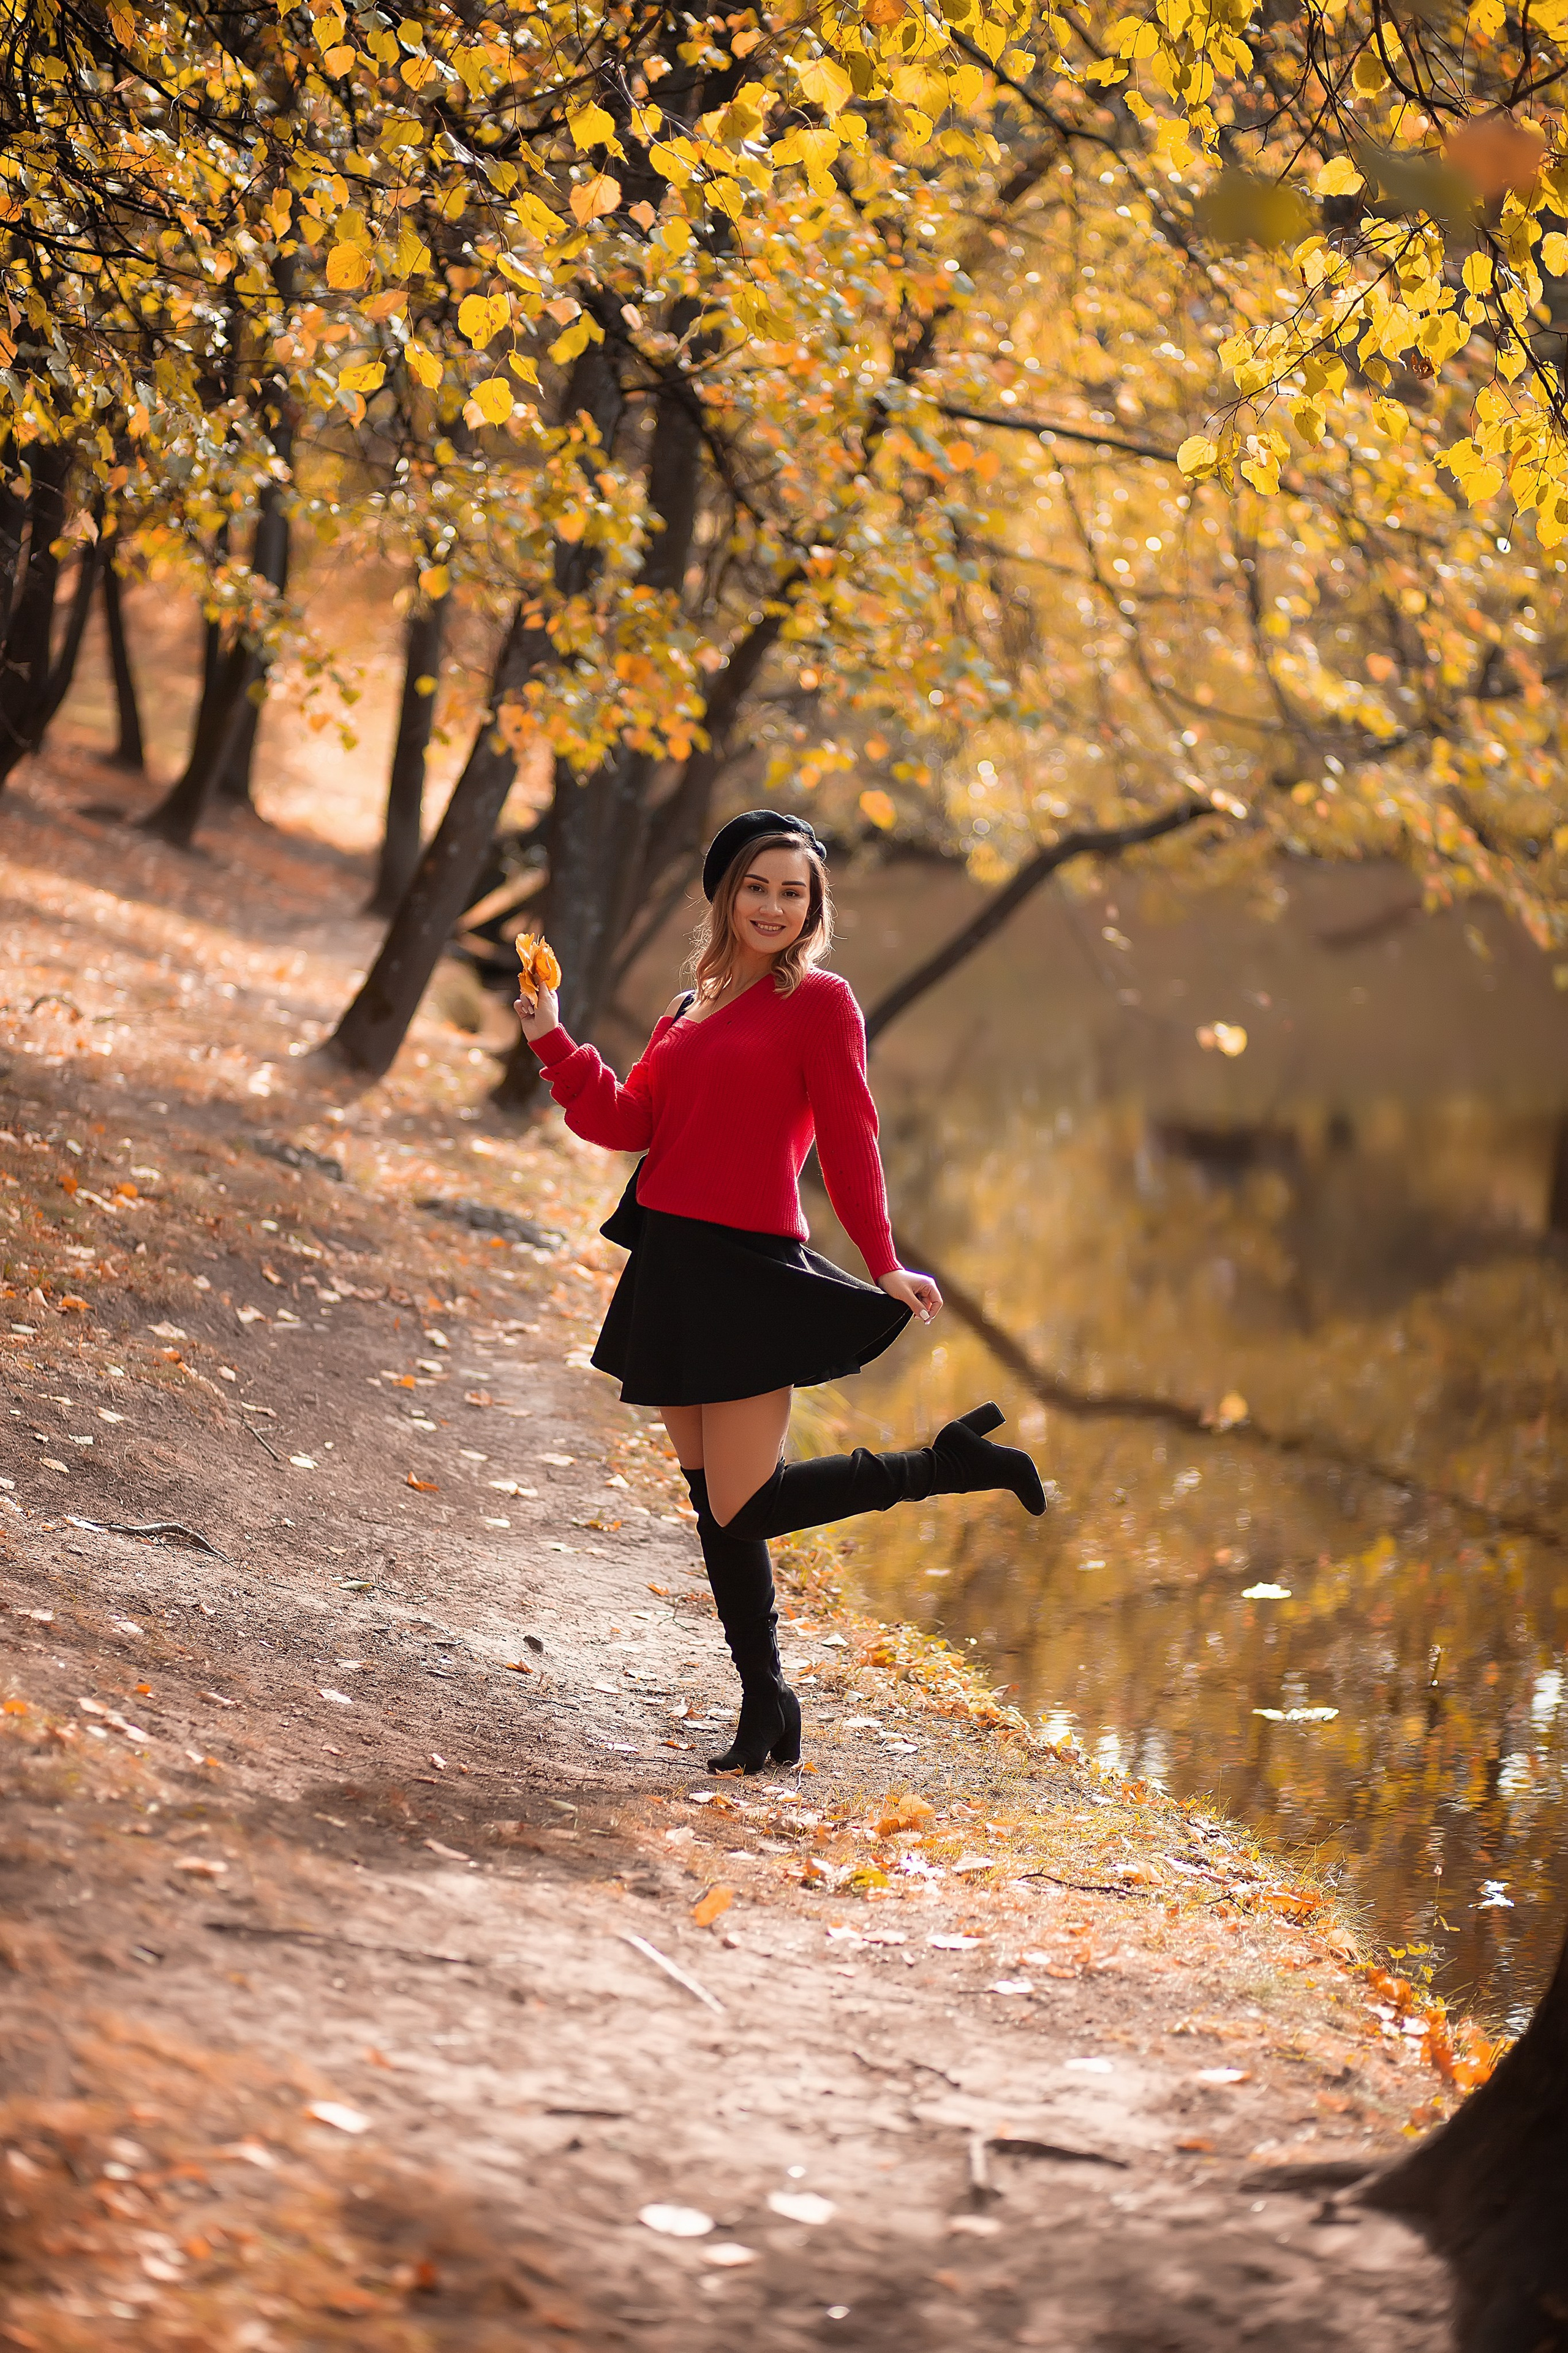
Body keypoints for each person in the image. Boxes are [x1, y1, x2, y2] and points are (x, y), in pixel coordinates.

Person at [515, 809, 1046, 1774]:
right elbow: (632, 1121)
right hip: (671, 1264)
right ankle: (765, 1702)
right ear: (726, 894)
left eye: (792, 892)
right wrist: (556, 1041)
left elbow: (850, 1138)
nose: (772, 905)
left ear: (813, 908)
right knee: (715, 1505)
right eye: (757, 887)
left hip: (751, 1272)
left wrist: (883, 1259)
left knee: (745, 1502)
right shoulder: (689, 1007)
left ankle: (945, 1463)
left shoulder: (823, 1003)